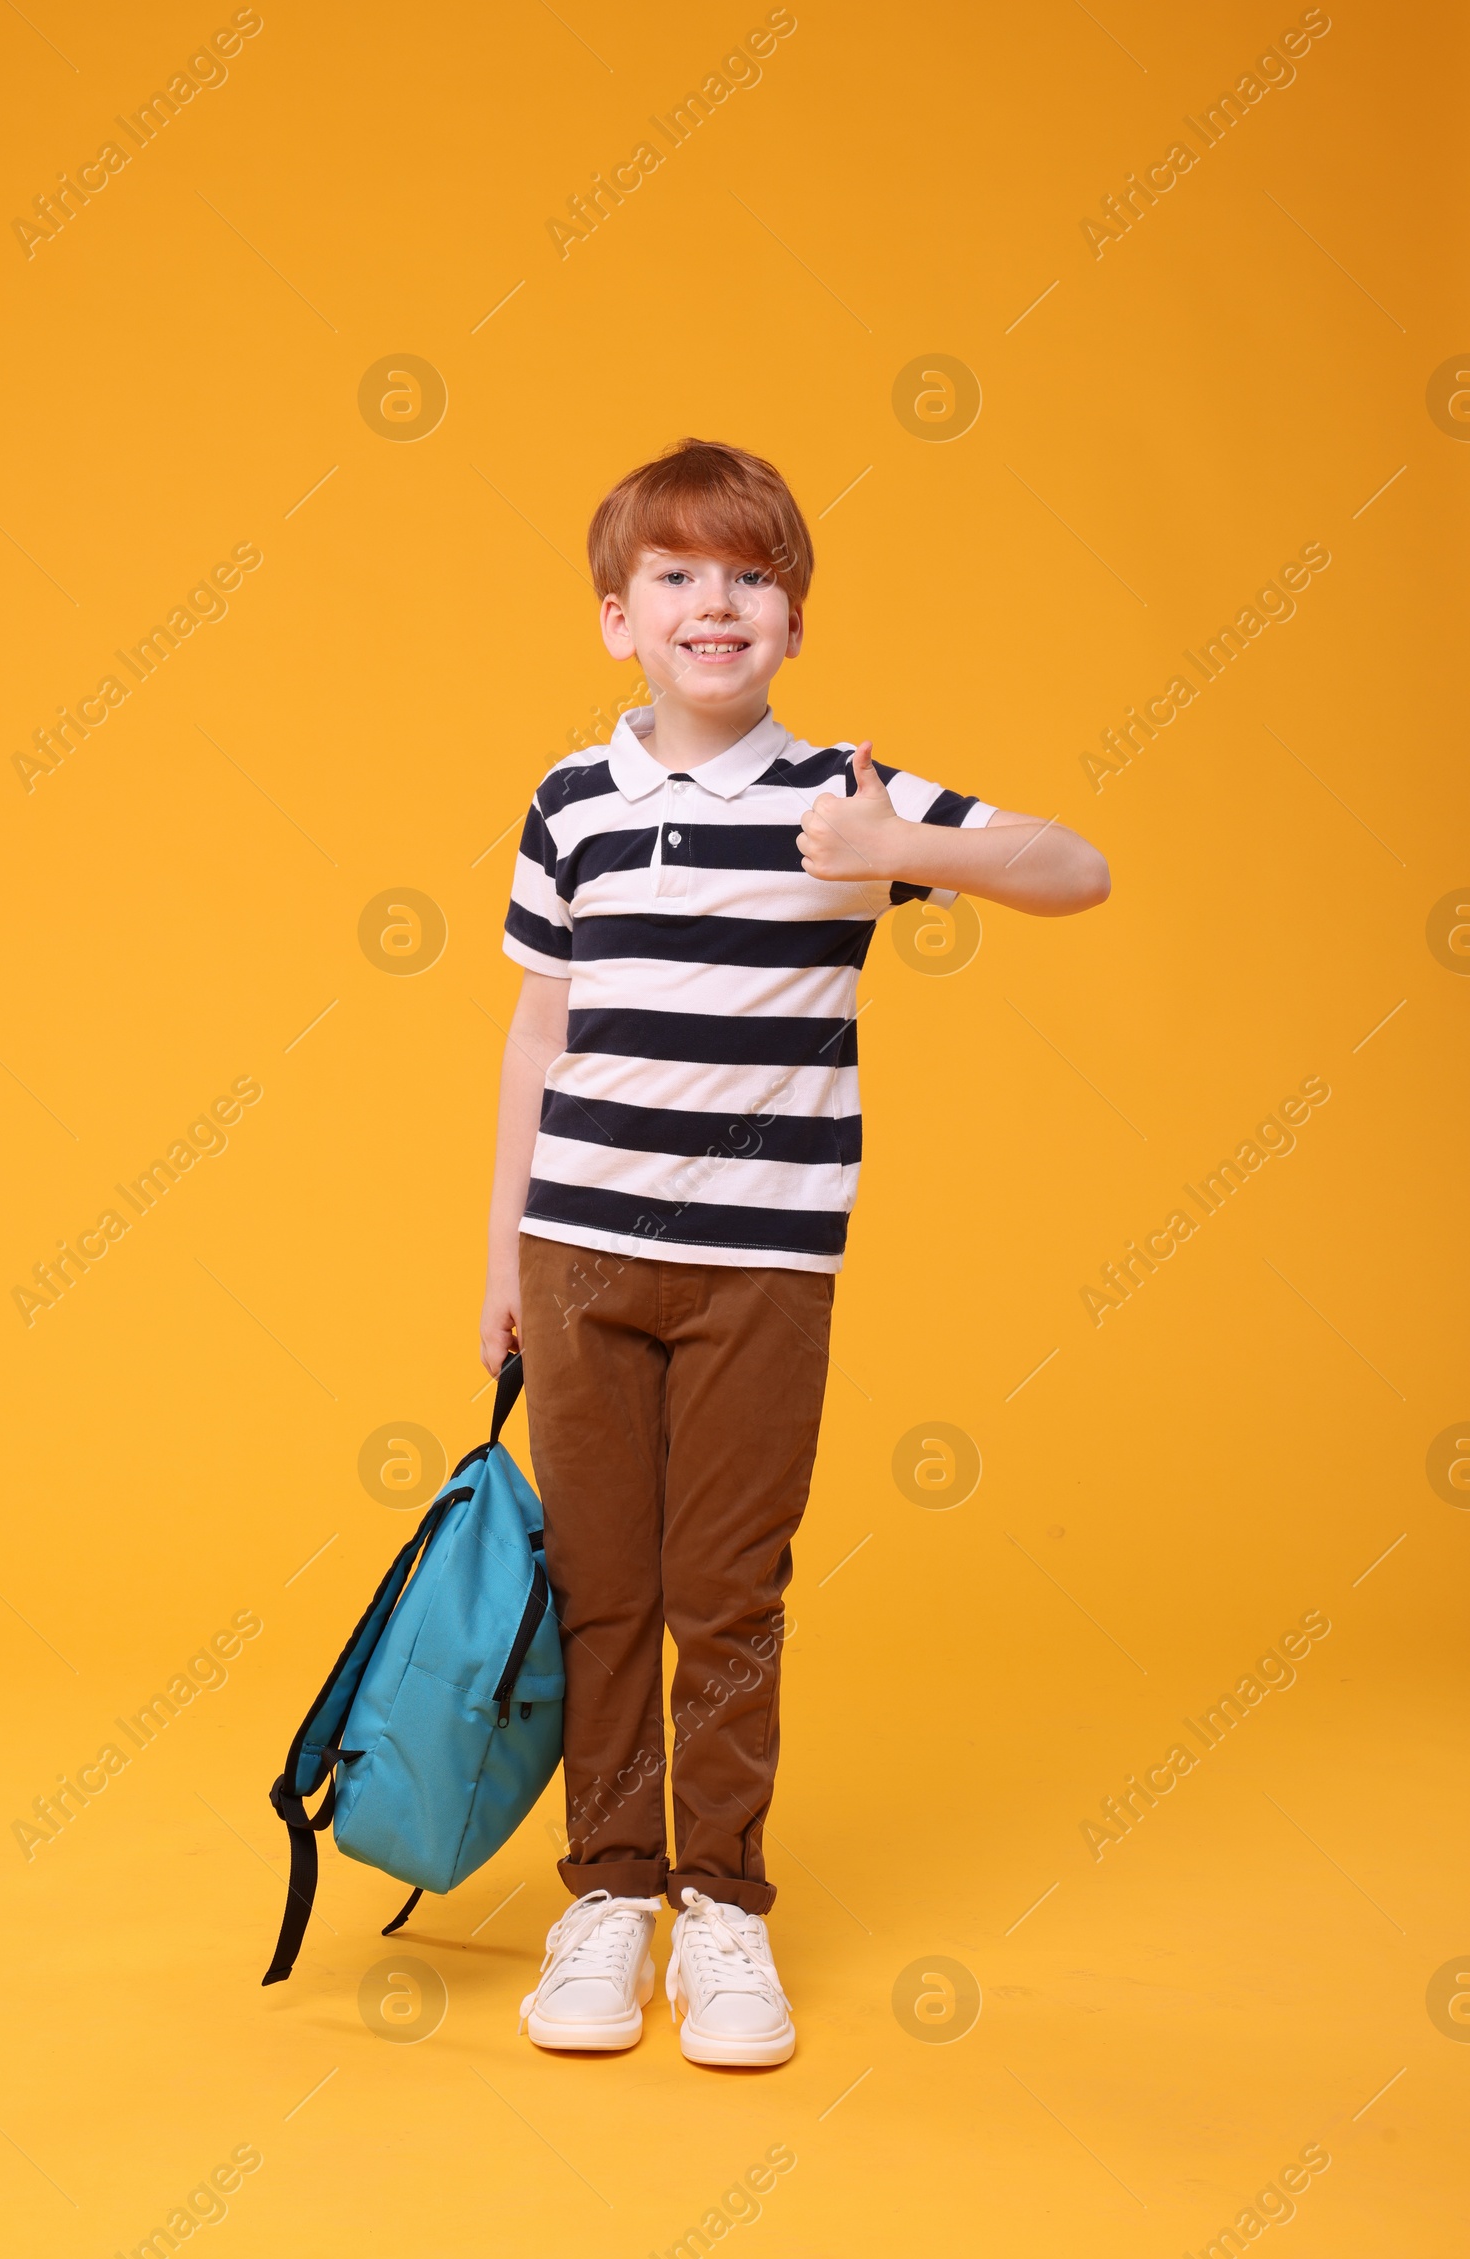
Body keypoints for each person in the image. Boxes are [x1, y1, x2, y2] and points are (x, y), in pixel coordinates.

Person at [480, 437, 1109, 2067]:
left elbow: (1075, 869)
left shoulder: (844, 801)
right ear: (617, 618)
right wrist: (500, 1261)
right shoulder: (571, 800)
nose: (715, 603)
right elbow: (537, 1031)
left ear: (794, 619)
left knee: (728, 1592)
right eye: (678, 576)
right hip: (580, 1258)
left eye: (751, 576)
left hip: (764, 1267)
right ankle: (609, 1898)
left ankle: (727, 1910)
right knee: (599, 1584)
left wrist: (908, 849)